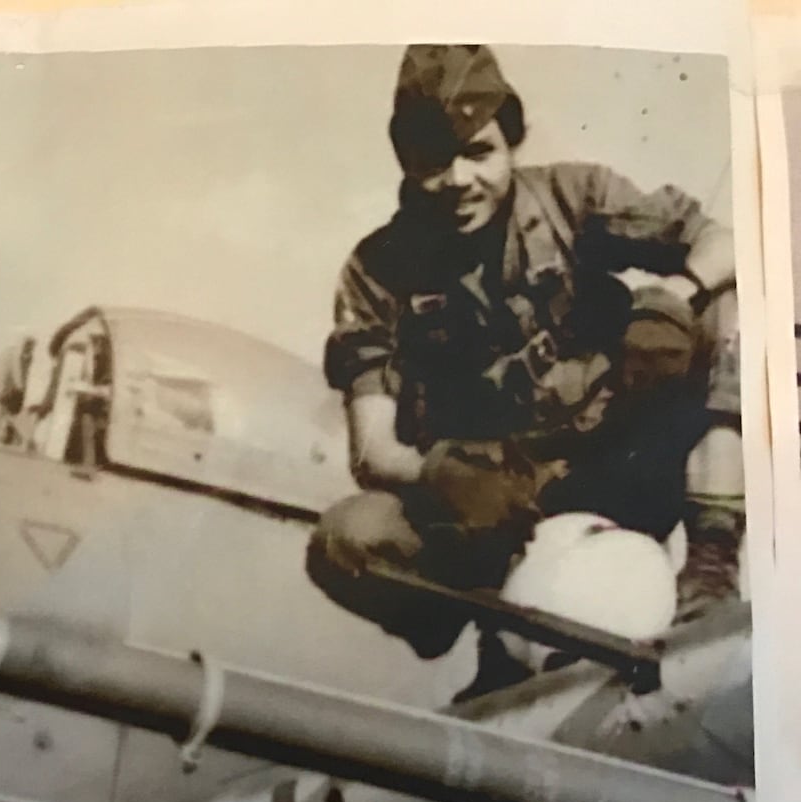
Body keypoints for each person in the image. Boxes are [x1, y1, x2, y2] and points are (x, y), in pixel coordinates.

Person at [307, 44, 744, 697]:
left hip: (615, 460)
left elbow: (727, 243)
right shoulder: (378, 270)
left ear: (510, 144)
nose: (459, 180)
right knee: (350, 538)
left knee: (733, 305)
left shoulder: (575, 198)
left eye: (478, 153)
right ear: (406, 162)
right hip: (496, 499)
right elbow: (373, 449)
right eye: (435, 160)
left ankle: (710, 567)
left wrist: (674, 298)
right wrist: (442, 472)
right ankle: (500, 633)